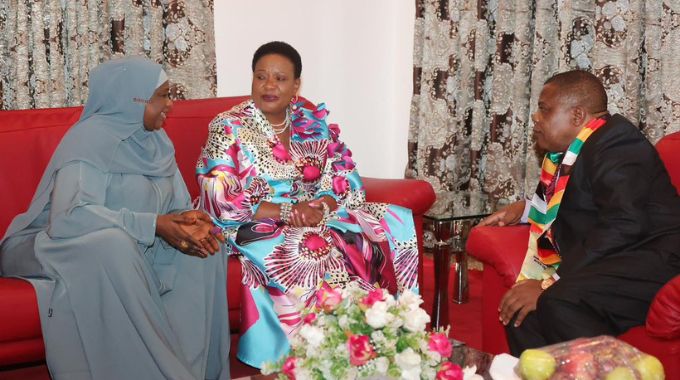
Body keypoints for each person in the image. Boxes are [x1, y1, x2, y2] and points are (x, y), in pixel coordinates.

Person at [0, 57, 231, 380]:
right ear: (131, 100)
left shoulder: (156, 141)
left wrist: (189, 220)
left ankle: (188, 371)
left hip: (131, 242)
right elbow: (70, 218)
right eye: (161, 96)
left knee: (206, 248)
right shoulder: (89, 140)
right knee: (114, 245)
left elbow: (173, 209)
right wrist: (154, 225)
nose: (170, 104)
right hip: (50, 245)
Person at [195, 41, 419, 367]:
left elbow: (345, 180)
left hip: (313, 215)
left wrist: (321, 207)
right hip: (249, 221)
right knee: (309, 247)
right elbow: (219, 198)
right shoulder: (228, 126)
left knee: (384, 223)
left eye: (280, 79)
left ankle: (374, 334)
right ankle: (310, 353)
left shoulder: (313, 122)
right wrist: (288, 212)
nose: (269, 86)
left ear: (296, 85)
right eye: (261, 77)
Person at [479, 70, 680, 356]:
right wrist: (524, 210)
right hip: (620, 258)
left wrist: (551, 281)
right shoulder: (574, 151)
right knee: (521, 311)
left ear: (576, 116)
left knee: (558, 300)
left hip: (657, 261)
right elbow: (578, 206)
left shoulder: (617, 143)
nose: (536, 117)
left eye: (545, 109)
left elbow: (624, 222)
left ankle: (615, 372)